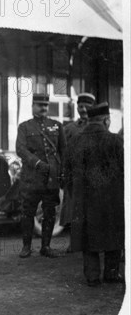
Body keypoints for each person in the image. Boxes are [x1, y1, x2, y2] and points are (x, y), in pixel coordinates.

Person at [63, 103, 124, 286]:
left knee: (87, 237)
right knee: (114, 234)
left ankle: (92, 276)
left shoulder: (75, 141)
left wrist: (75, 193)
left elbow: (67, 173)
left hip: (84, 199)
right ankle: (112, 273)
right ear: (106, 120)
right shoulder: (115, 141)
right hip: (112, 199)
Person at [16, 93, 66, 259]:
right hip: (31, 178)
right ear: (32, 106)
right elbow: (20, 149)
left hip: (50, 178)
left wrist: (62, 172)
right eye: (39, 105)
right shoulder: (24, 127)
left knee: (50, 212)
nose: (43, 108)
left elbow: (63, 152)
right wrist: (37, 163)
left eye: (45, 105)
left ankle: (46, 246)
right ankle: (26, 246)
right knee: (27, 212)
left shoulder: (57, 126)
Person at [61, 93, 95, 235]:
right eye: (80, 106)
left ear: (92, 108)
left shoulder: (97, 127)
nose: (83, 110)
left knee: (92, 208)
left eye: (87, 106)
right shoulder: (69, 129)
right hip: (74, 175)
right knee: (74, 208)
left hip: (93, 175)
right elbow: (62, 152)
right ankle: (74, 242)